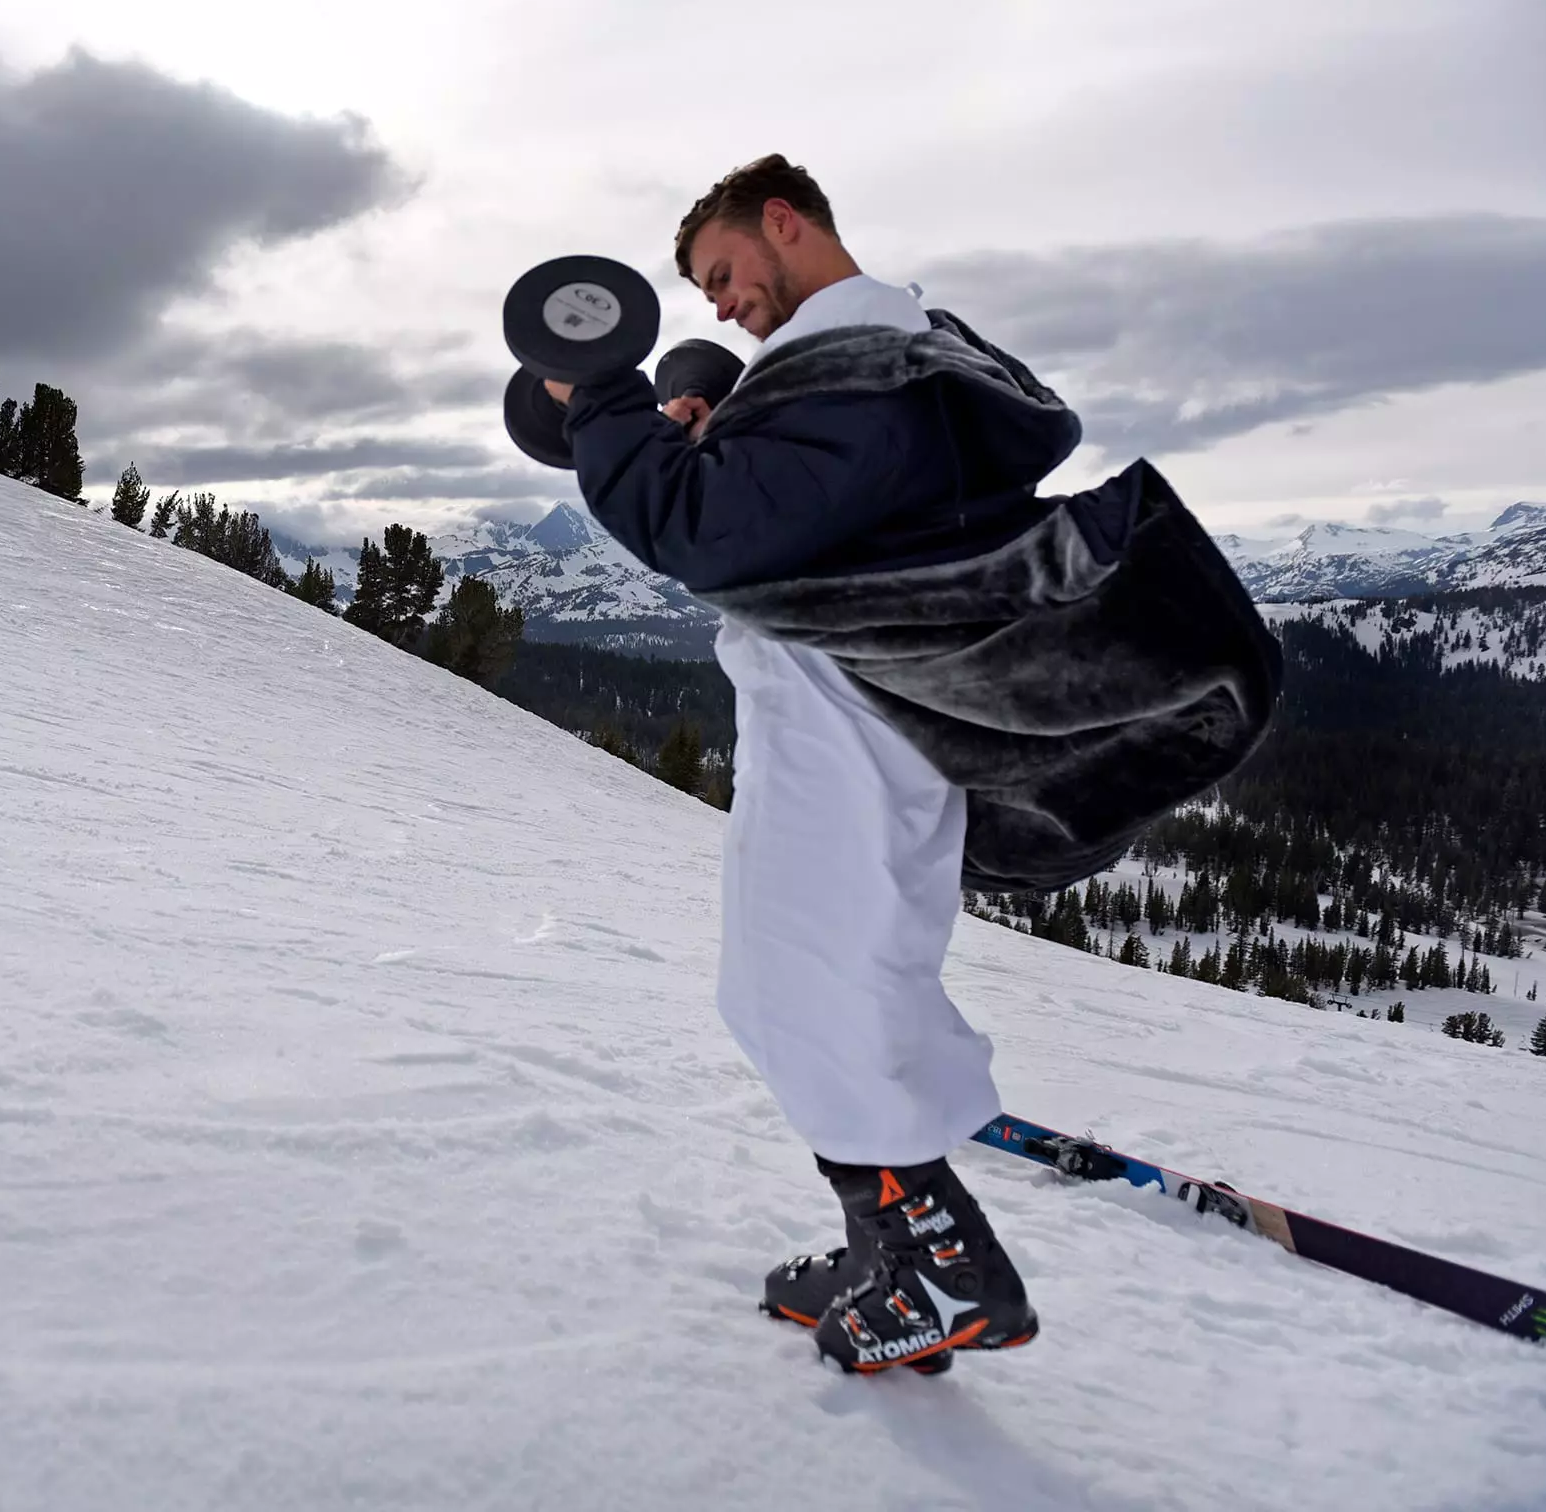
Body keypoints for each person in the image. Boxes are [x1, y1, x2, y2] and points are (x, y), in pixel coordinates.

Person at [543, 156, 1276, 1374]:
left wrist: (602, 403)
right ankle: (898, 1253)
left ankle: (944, 1272)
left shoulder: (863, 369)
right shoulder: (880, 366)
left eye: (724, 273)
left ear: (786, 222)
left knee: (808, 991)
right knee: (825, 985)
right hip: (867, 710)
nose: (720, 306)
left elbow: (703, 531)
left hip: (849, 718)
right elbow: (788, 506)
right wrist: (713, 427)